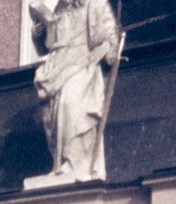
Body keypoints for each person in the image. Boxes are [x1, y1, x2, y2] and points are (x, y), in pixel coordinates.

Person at [30, 0, 119, 182]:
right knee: (51, 114)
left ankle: (76, 163)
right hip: (57, 66)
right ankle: (60, 163)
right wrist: (38, 35)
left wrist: (99, 52)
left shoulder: (96, 5)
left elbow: (111, 39)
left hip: (81, 63)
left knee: (70, 102)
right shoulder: (59, 10)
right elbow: (46, 47)